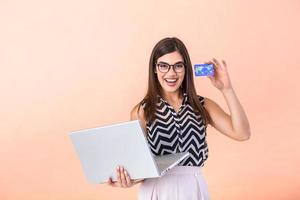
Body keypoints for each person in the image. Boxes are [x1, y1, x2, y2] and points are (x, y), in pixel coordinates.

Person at [107, 37, 251, 200]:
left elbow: (242, 133)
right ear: (154, 69)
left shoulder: (202, 105)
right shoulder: (141, 111)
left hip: (193, 189)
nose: (171, 73)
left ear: (186, 68)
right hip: (156, 191)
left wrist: (227, 89)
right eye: (163, 66)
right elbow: (141, 166)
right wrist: (129, 181)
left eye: (178, 66)